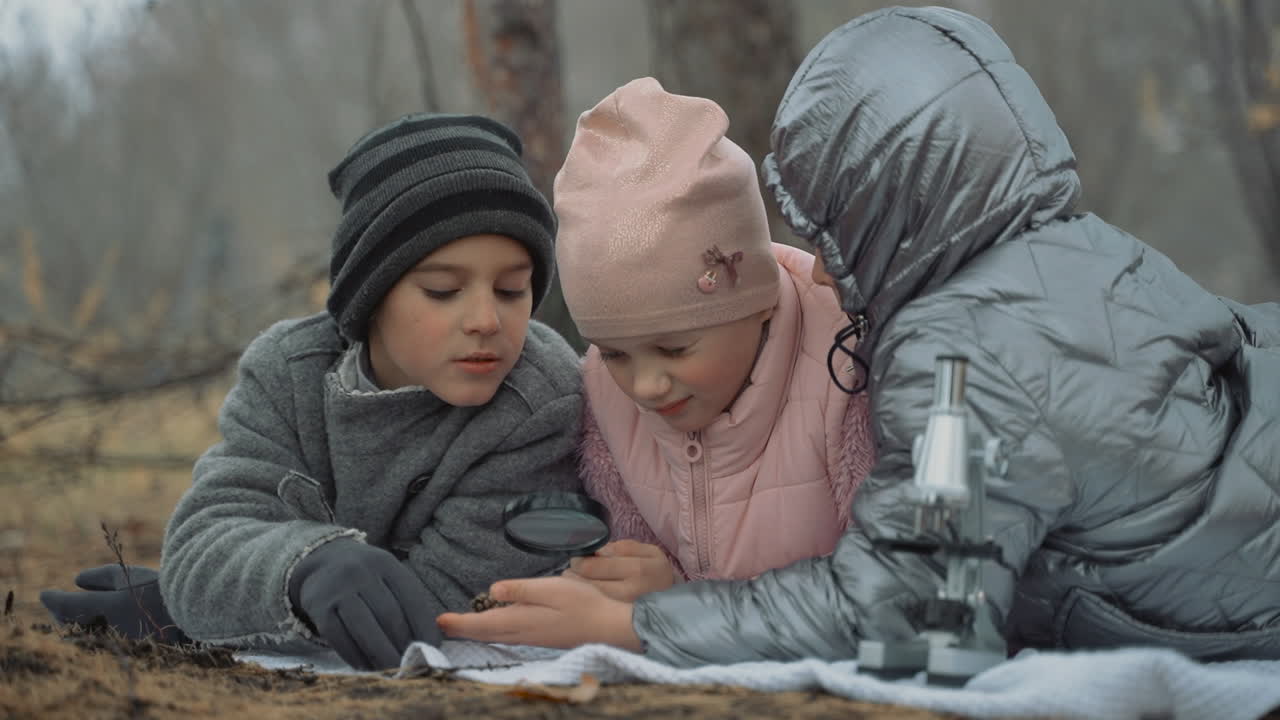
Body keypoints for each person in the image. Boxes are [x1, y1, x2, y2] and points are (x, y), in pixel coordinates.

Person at [437, 6, 1280, 664]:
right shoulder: (1089, 255)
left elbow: (924, 611)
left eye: (837, 229)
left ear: (899, 206)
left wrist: (640, 625)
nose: (828, 275)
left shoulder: (963, 353)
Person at [42, 112, 585, 670]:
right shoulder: (287, 371)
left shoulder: (541, 401)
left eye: (512, 289)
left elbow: (438, 609)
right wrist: (304, 566)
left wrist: (191, 609)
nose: (486, 319)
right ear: (371, 296)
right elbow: (208, 531)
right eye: (443, 290)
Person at [546, 77, 875, 604]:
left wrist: (680, 606)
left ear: (758, 302)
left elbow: (889, 588)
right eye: (615, 353)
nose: (646, 385)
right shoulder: (602, 395)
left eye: (675, 349)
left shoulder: (848, 367)